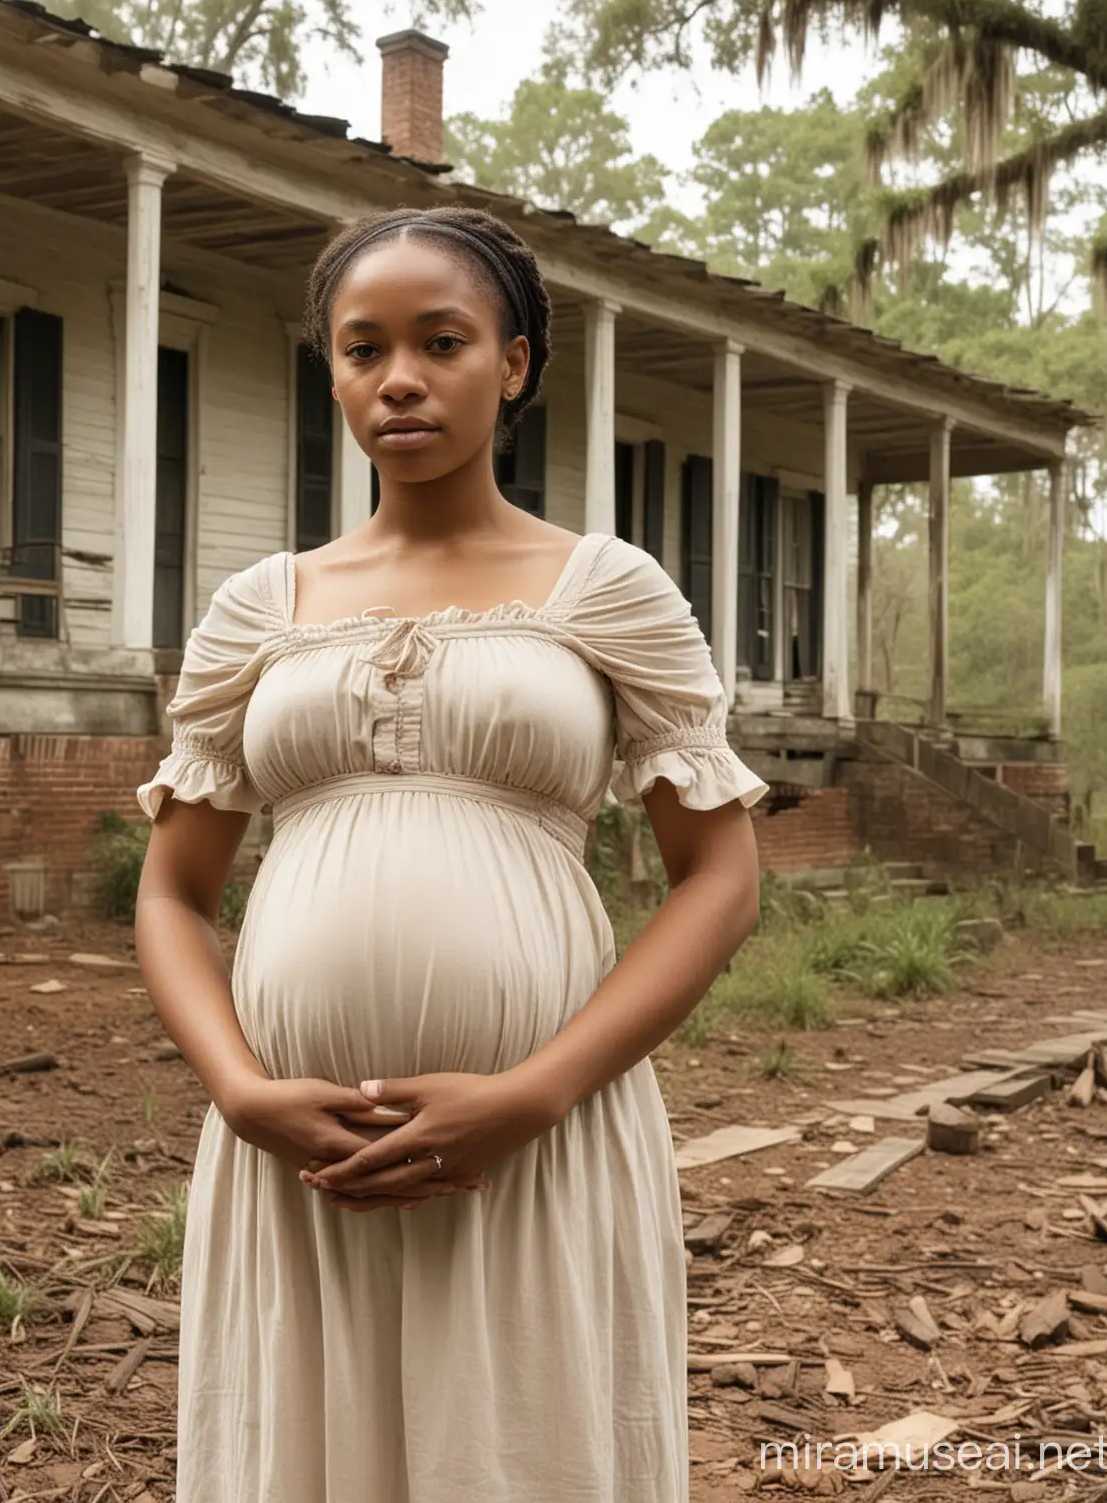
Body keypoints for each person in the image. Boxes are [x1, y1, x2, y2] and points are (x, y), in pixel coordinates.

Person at [133, 205, 767, 1503]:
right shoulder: (261, 607)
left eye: (443, 341)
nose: (401, 378)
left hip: (536, 1146)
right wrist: (241, 1091)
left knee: (514, 1454)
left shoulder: (604, 589)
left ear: (515, 363)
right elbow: (175, 892)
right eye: (364, 349)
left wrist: (535, 1092)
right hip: (293, 1163)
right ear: (334, 373)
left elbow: (720, 875)